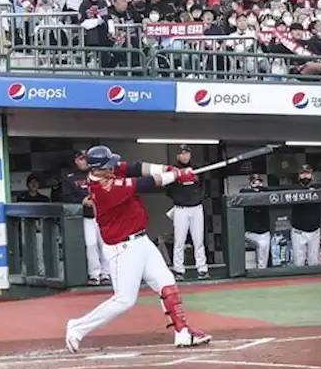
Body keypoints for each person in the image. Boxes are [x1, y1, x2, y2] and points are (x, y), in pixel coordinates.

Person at [64, 146, 210, 351]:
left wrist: (168, 167)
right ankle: (77, 328)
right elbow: (147, 183)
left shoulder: (110, 170)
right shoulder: (104, 188)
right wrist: (176, 175)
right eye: (109, 165)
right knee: (124, 300)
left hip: (141, 240)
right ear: (99, 169)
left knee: (167, 283)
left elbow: (138, 168)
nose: (114, 166)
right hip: (122, 248)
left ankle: (182, 332)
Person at [62, 151, 108, 286]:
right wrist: (81, 201)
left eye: (86, 159)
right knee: (91, 244)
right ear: (76, 160)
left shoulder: (99, 174)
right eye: (81, 159)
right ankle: (95, 274)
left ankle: (107, 273)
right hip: (86, 216)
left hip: (102, 215)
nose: (84, 161)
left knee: (105, 244)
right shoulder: (70, 178)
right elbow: (66, 197)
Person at [167, 145, 208, 280]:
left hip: (196, 208)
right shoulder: (172, 170)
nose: (184, 156)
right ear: (177, 156)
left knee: (198, 240)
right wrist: (179, 185)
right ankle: (179, 270)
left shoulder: (198, 168)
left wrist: (198, 197)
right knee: (179, 241)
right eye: (181, 154)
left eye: (187, 153)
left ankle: (202, 269)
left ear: (190, 155)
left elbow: (203, 186)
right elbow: (168, 189)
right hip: (181, 209)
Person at [288, 165, 321, 267]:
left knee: (313, 262)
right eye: (303, 173)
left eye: (307, 173)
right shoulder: (294, 189)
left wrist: (313, 190)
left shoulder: (318, 188)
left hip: (314, 231)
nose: (305, 176)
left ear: (312, 175)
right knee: (299, 263)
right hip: (298, 232)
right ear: (299, 176)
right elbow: (281, 189)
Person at [241, 174, 273, 269]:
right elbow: (243, 191)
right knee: (262, 243)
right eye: (254, 181)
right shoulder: (245, 193)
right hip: (248, 234)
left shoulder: (266, 193)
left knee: (263, 243)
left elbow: (272, 191)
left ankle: (261, 272)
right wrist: (256, 190)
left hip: (264, 233)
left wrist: (261, 190)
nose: (257, 183)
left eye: (259, 181)